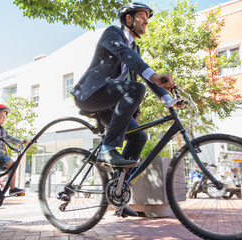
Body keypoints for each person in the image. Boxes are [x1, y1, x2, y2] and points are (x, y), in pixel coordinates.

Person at [70, 2, 175, 216]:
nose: (146, 21)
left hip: (109, 103)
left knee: (139, 137)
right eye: (142, 16)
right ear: (129, 18)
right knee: (135, 88)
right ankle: (108, 149)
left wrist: (168, 97)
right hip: (91, 94)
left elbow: (141, 70)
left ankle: (117, 195)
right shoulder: (112, 33)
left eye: (147, 17)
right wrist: (152, 74)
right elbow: (128, 58)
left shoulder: (135, 48)